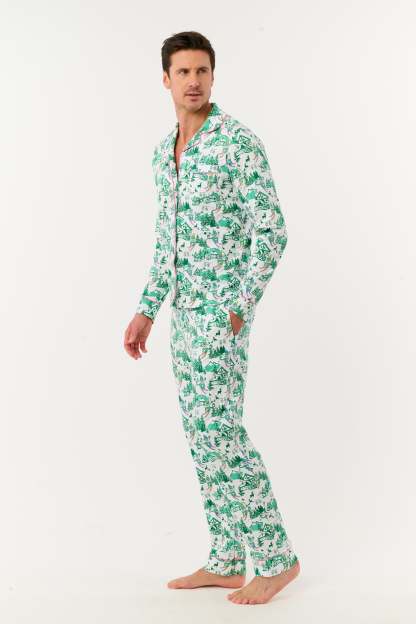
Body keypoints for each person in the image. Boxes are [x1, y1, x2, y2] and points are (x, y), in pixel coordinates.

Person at [124, 31, 300, 606]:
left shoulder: (238, 143)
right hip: (182, 317)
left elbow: (272, 231)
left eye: (202, 70)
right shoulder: (164, 153)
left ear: (213, 77)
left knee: (223, 432)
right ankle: (226, 557)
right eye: (183, 72)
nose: (193, 81)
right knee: (200, 435)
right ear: (166, 80)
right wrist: (147, 309)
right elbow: (167, 242)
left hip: (222, 318)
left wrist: (238, 307)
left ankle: (277, 558)